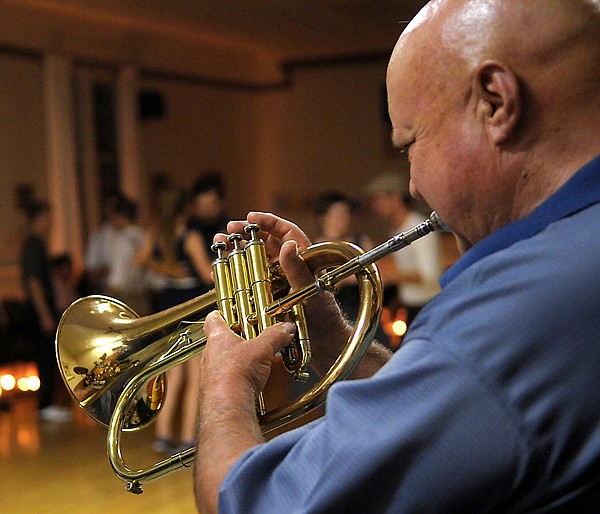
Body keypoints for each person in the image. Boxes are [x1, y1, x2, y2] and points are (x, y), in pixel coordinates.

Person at [194, 1, 600, 512]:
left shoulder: (511, 316)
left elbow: (249, 505)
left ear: (496, 102)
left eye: (410, 143)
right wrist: (324, 324)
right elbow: (442, 411)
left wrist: (225, 386)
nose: (412, 182)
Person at [136, 187, 213, 454]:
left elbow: (141, 259)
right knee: (194, 376)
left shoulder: (157, 233)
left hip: (168, 304)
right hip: (190, 306)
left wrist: (165, 269)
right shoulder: (190, 236)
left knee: (172, 373)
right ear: (186, 208)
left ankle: (163, 434)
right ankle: (187, 437)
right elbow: (207, 276)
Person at [366, 172, 442, 328]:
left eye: (379, 200)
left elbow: (430, 274)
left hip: (427, 305)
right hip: (411, 305)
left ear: (395, 198)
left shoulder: (417, 228)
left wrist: (390, 276)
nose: (375, 206)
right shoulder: (397, 230)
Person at [20, 201, 71, 423]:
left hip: (44, 308)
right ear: (38, 218)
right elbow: (33, 282)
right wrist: (44, 314)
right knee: (46, 356)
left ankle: (48, 403)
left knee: (49, 355)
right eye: (48, 217)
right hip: (40, 308)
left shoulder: (38, 244)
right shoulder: (33, 246)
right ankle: (46, 403)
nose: (50, 222)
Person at [104, 195, 152, 316]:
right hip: (145, 296)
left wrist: (105, 301)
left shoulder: (122, 240)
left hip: (127, 300)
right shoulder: (143, 236)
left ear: (119, 216)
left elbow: (117, 279)